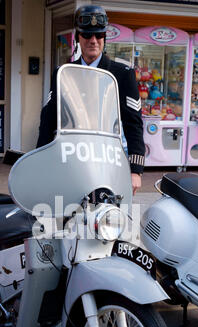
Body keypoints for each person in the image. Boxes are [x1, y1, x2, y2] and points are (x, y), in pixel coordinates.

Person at [37, 5, 145, 195]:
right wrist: (40, 161)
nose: (93, 41)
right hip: (72, 160)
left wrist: (136, 170)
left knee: (109, 220)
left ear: (105, 37)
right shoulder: (64, 73)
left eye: (99, 35)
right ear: (78, 37)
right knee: (67, 216)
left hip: (109, 161)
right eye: (87, 35)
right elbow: (48, 120)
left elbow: (133, 123)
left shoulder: (122, 74)